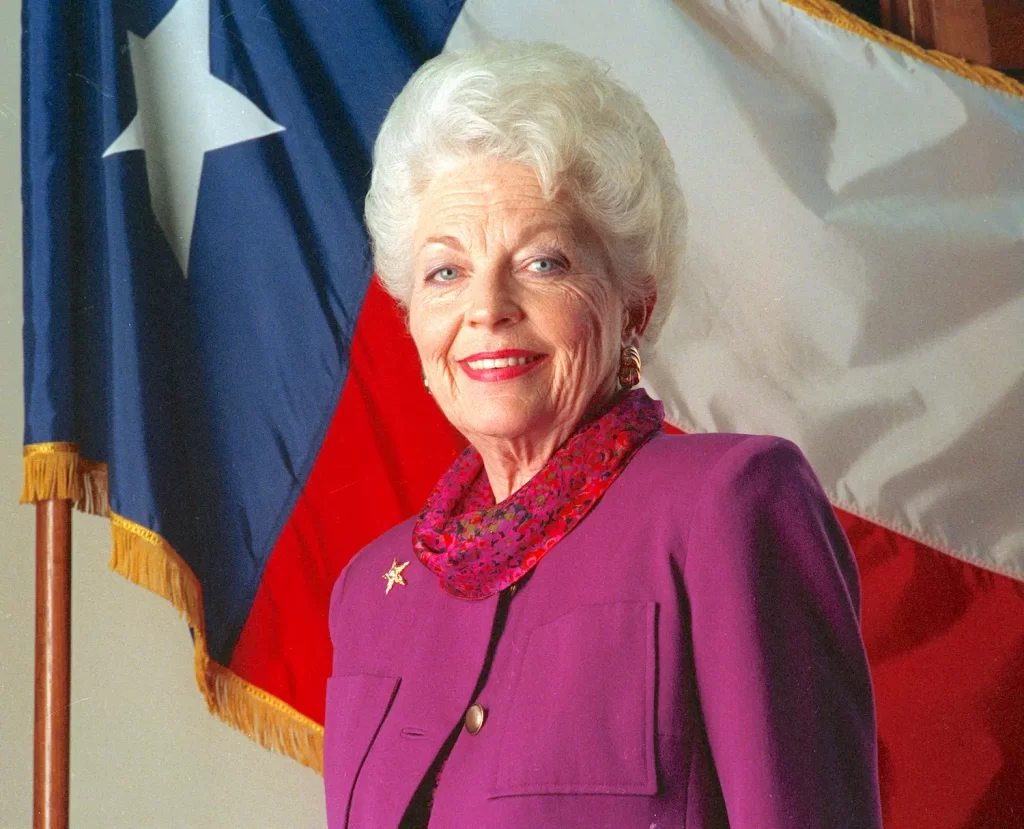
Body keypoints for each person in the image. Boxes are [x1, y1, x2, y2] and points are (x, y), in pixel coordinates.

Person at [325, 40, 882, 829]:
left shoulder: (727, 504)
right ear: (413, 317)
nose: (487, 307)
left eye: (543, 262)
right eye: (446, 271)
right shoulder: (370, 591)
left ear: (634, 306)